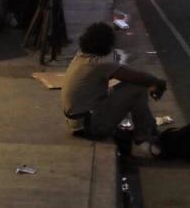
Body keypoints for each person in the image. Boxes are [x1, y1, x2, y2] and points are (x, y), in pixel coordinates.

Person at [62, 22, 166, 150]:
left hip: (79, 122)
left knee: (127, 87)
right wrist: (158, 82)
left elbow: (123, 74)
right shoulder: (99, 63)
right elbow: (136, 77)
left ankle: (148, 129)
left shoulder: (82, 56)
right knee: (137, 88)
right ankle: (143, 135)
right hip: (90, 126)